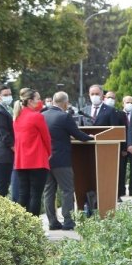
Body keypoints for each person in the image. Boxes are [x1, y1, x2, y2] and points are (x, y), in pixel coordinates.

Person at [42, 92, 94, 230]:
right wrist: (91, 137)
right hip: (62, 160)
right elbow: (78, 135)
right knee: (67, 190)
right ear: (66, 103)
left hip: (45, 160)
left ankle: (52, 222)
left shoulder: (42, 115)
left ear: (53, 101)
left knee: (49, 191)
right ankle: (68, 221)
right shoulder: (64, 116)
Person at [12, 88, 52, 216]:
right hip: (37, 161)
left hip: (21, 161)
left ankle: (20, 225)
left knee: (23, 194)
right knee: (36, 195)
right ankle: (33, 225)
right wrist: (49, 153)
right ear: (30, 101)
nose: (40, 101)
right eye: (38, 99)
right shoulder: (37, 116)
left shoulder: (16, 117)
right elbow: (46, 138)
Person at [0, 84, 15, 197]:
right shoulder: (0, 112)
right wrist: (16, 149)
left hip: (4, 156)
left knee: (4, 187)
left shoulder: (6, 110)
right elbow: (5, 136)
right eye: (5, 95)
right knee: (1, 189)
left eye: (10, 94)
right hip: (3, 156)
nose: (8, 97)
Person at [121, 95, 132, 197]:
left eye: (131, 102)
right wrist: (123, 147)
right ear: (123, 103)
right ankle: (121, 190)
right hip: (122, 146)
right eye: (127, 102)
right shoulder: (118, 114)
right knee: (121, 169)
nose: (129, 104)